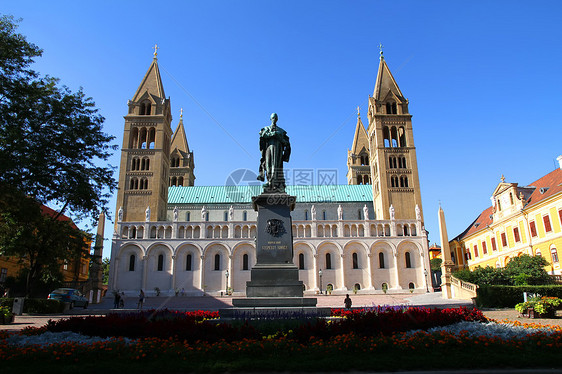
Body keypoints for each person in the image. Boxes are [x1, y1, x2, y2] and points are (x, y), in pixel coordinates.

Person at [257, 113, 291, 192]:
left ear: (277, 119)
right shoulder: (266, 128)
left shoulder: (281, 131)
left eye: (275, 118)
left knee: (277, 166)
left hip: (278, 149)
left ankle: (277, 184)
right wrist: (273, 134)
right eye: (273, 118)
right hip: (269, 148)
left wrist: (281, 139)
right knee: (268, 165)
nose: (274, 119)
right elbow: (262, 135)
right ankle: (269, 182)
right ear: (270, 119)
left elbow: (286, 142)